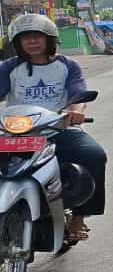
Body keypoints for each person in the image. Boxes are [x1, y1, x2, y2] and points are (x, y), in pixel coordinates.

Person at [0, 14, 106, 245]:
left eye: (37, 36)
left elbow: (77, 91)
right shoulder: (9, 67)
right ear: (17, 43)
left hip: (59, 128)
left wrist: (76, 111)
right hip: (16, 132)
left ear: (50, 39)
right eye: (25, 38)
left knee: (94, 156)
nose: (32, 42)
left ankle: (79, 217)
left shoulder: (67, 65)